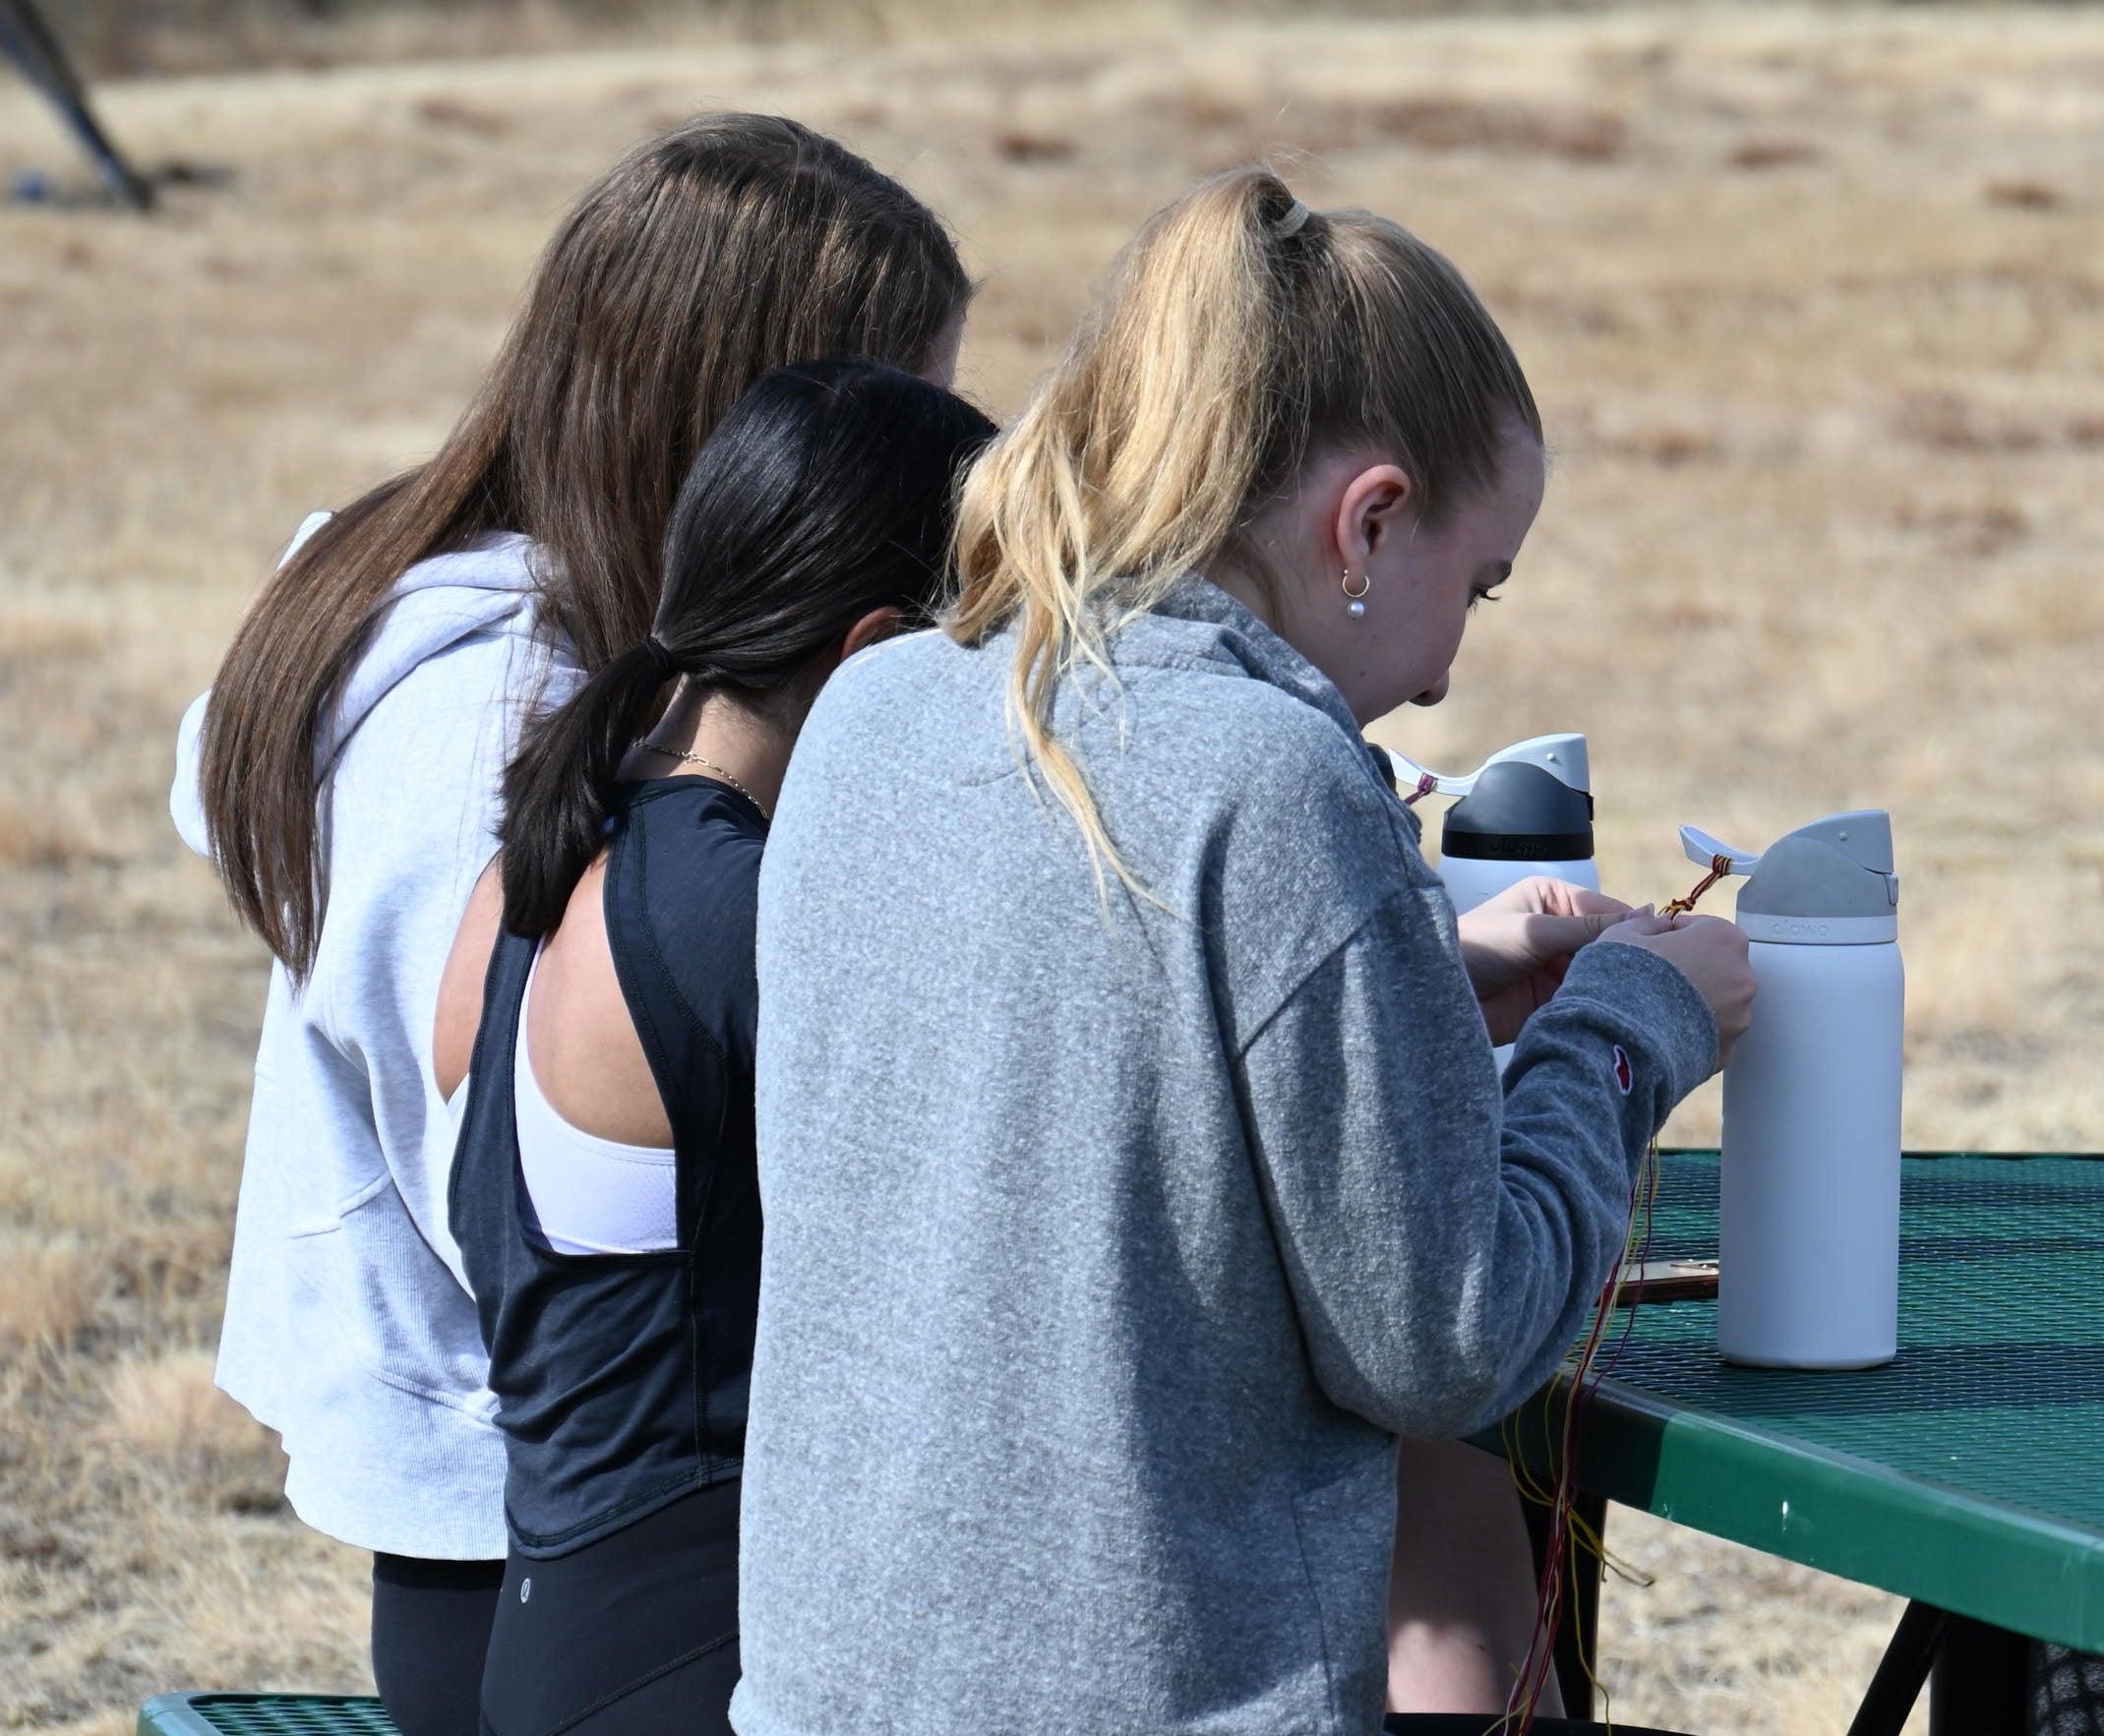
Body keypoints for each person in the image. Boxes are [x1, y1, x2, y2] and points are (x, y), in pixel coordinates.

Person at [733, 167, 1755, 1734]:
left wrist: (1418, 979)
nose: (1449, 665)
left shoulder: (880, 708)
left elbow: (1074, 1086)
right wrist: (1621, 1033)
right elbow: (1446, 1341)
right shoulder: (1271, 779)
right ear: (1370, 521)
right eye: (1475, 585)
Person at [166, 115, 966, 1736]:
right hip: (539, 1529)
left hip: (542, 1517)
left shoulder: (441, 615)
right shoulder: (490, 717)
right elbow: (510, 1187)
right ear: (751, 428)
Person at [422, 360, 992, 1735]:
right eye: (987, 650)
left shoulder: (541, 860)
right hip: (706, 1664)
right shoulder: (748, 912)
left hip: (562, 1635)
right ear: (868, 658)